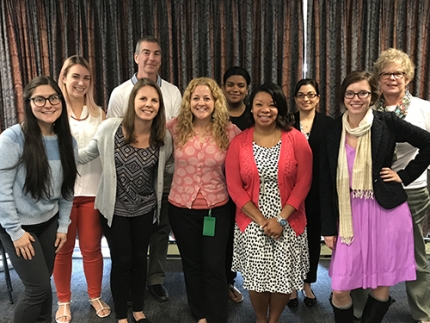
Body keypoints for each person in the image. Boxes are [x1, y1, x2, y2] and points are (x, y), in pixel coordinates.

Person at [320, 70, 430, 323]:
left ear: (372, 96)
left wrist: (404, 175)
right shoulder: (332, 130)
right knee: (340, 288)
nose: (356, 98)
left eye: (363, 93)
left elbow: (427, 143)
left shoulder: (386, 122)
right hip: (349, 214)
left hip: (385, 212)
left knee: (382, 281)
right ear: (342, 96)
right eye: (350, 93)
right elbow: (325, 183)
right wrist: (327, 228)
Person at [79, 78, 172, 323]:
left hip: (145, 208)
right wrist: (55, 153)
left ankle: (139, 309)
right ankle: (121, 314)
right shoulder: (111, 128)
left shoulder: (163, 136)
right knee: (122, 260)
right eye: (143, 98)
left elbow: (169, 167)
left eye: (154, 100)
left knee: (141, 259)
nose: (148, 104)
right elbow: (88, 153)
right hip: (114, 208)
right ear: (133, 102)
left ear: (159, 106)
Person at [351, 49, 430, 323]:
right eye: (386, 74)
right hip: (374, 193)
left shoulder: (424, 108)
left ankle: (423, 313)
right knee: (367, 251)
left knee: (415, 255)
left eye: (398, 73)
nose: (392, 78)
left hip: (411, 190)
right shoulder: (369, 111)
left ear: (407, 77)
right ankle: (360, 309)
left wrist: (404, 176)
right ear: (378, 78)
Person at [225, 82, 312, 323]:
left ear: (280, 109)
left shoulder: (296, 139)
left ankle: (273, 320)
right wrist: (263, 221)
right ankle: (260, 320)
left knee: (283, 275)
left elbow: (304, 182)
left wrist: (281, 219)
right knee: (257, 277)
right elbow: (234, 187)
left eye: (272, 105)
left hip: (289, 219)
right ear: (251, 109)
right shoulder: (239, 142)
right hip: (253, 221)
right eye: (259, 104)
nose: (266, 109)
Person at [107, 36, 181, 302]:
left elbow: (176, 134)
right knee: (126, 242)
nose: (152, 58)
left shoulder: (173, 92)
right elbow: (110, 136)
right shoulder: (119, 93)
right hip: (125, 182)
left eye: (157, 53)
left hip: (161, 175)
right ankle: (127, 281)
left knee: (160, 229)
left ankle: (155, 279)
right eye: (146, 53)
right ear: (136, 57)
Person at [0, 76, 77, 323]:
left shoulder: (68, 141)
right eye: (39, 99)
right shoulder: (13, 138)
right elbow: (1, 191)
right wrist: (15, 231)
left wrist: (63, 226)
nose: (48, 104)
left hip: (48, 224)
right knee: (37, 290)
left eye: (53, 97)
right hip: (18, 227)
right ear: (29, 103)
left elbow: (67, 190)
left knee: (44, 284)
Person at [167, 77, 241, 323]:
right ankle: (199, 314)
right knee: (192, 264)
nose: (201, 103)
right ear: (188, 101)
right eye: (195, 98)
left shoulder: (229, 131)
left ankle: (217, 316)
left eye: (206, 98)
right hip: (181, 208)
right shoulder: (174, 128)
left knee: (213, 265)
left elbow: (244, 164)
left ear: (215, 102)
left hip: (216, 208)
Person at [52, 56, 109, 323]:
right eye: (75, 76)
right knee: (62, 250)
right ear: (63, 78)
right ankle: (63, 300)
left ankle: (95, 295)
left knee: (91, 248)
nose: (81, 82)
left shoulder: (100, 113)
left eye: (86, 78)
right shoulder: (53, 112)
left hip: (93, 192)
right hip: (61, 195)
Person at [288, 79, 334, 308]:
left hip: (318, 190)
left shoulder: (329, 124)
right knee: (289, 238)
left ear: (317, 98)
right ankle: (290, 286)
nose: (306, 99)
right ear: (295, 98)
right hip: (289, 190)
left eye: (311, 95)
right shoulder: (286, 122)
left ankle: (307, 283)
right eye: (301, 95)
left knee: (312, 238)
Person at [222, 66, 253, 303]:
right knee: (219, 237)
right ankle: (218, 282)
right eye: (231, 84)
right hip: (216, 186)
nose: (235, 89)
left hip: (248, 188)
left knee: (236, 238)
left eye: (240, 85)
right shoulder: (213, 113)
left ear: (247, 89)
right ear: (223, 87)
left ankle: (230, 281)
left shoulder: (253, 115)